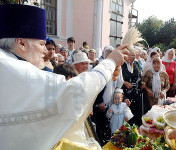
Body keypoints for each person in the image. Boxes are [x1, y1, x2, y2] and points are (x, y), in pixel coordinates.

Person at [0, 4, 129, 150]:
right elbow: (73, 91)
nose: (45, 51)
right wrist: (110, 62)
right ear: (21, 43)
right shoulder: (14, 68)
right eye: (42, 44)